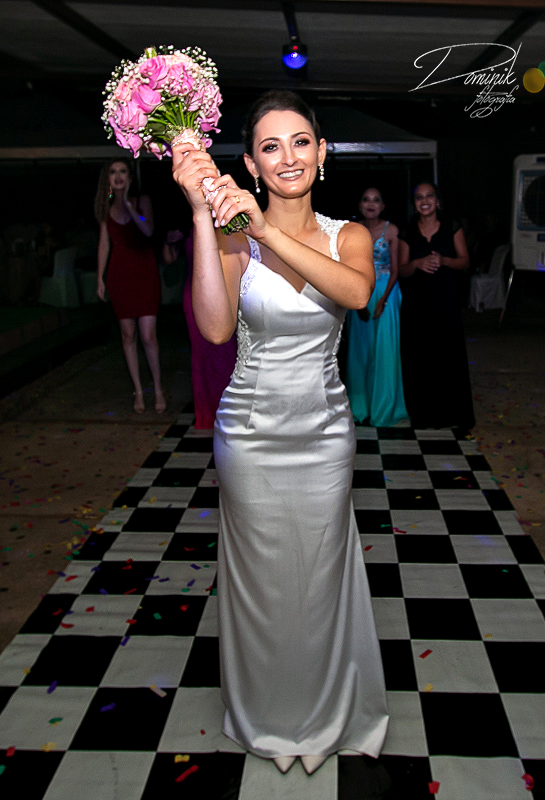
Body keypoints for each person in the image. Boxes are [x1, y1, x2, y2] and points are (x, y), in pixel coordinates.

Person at [172, 91, 389, 776]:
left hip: (323, 435)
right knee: (261, 583)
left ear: (321, 153)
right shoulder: (234, 237)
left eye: (300, 142)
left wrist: (263, 230)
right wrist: (204, 215)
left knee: (318, 577)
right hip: (249, 435)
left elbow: (356, 295)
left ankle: (324, 712)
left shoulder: (348, 236)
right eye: (270, 146)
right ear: (251, 164)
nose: (287, 157)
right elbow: (215, 328)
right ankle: (267, 713)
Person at [398, 181, 475, 430]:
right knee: (420, 359)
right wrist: (417, 264)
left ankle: (450, 413)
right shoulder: (408, 231)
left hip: (445, 301)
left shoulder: (452, 227)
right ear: (414, 204)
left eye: (429, 196)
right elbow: (401, 269)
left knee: (447, 356)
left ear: (438, 201)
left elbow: (465, 262)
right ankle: (423, 414)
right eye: (419, 197)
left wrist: (444, 261)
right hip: (417, 304)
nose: (424, 201)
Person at [95, 158, 165, 414]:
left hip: (144, 273)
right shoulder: (105, 207)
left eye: (123, 171)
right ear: (108, 178)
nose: (118, 176)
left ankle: (158, 388)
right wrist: (99, 277)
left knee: (148, 335)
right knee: (127, 335)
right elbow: (104, 244)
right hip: (119, 275)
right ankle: (138, 390)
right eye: (113, 172)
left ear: (130, 177)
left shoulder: (141, 201)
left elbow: (148, 229)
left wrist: (127, 204)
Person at [345, 187, 408, 426]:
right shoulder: (352, 230)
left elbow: (395, 270)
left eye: (376, 200)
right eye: (366, 199)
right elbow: (348, 267)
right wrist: (357, 301)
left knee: (384, 350)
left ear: (382, 206)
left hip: (386, 293)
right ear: (360, 205)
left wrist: (383, 300)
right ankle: (360, 407)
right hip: (359, 291)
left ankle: (383, 408)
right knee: (360, 352)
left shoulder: (391, 230)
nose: (371, 204)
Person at [163, 228, 237, 429]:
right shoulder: (188, 226)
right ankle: (206, 412)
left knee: (227, 354)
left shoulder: (229, 222)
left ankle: (230, 409)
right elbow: (169, 259)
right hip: (195, 297)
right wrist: (168, 241)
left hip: (226, 294)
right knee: (201, 356)